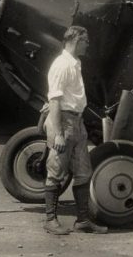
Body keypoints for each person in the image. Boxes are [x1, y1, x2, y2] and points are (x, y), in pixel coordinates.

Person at [43, 25, 107, 235]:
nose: (88, 45)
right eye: (86, 41)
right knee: (55, 172)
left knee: (83, 173)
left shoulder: (75, 63)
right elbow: (54, 100)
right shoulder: (61, 65)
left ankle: (82, 221)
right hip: (64, 122)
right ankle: (50, 220)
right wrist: (58, 133)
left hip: (77, 123)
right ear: (76, 40)